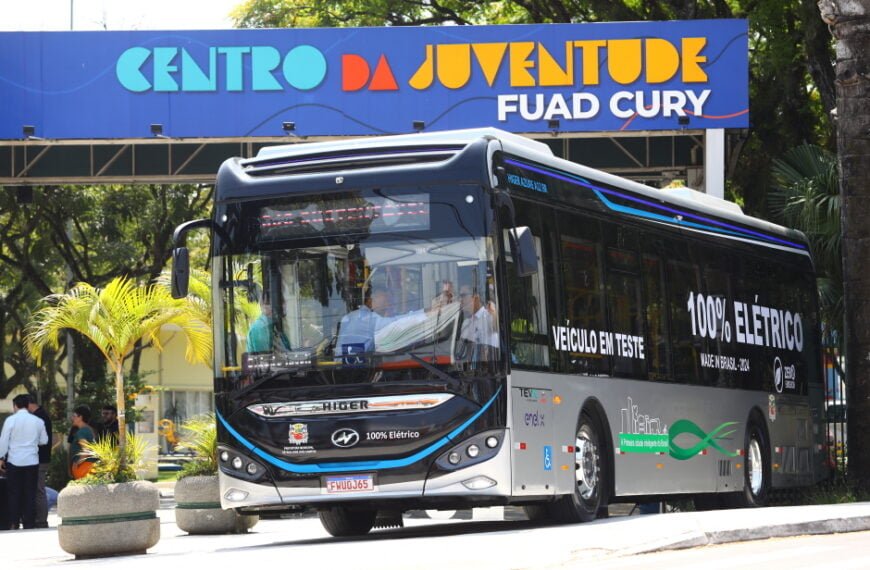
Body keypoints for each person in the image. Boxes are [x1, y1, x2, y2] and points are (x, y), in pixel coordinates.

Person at [0, 394, 48, 530]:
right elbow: (44, 441)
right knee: (30, 493)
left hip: (14, 461)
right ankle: (29, 523)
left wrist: (1, 457)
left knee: (14, 493)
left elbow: (3, 441)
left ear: (15, 406)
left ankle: (14, 522)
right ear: (28, 405)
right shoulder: (38, 421)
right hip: (32, 461)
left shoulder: (10, 420)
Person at [26, 395, 52, 528]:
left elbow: (39, 440)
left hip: (40, 459)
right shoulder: (42, 415)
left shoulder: (39, 417)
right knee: (37, 489)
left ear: (30, 404)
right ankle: (39, 518)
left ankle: (41, 520)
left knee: (38, 490)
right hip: (41, 458)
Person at [69, 406, 97, 481]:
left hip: (84, 468)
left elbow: (86, 450)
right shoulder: (90, 429)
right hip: (93, 466)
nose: (72, 418)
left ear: (80, 417)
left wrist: (77, 463)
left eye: (74, 416)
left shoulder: (82, 432)